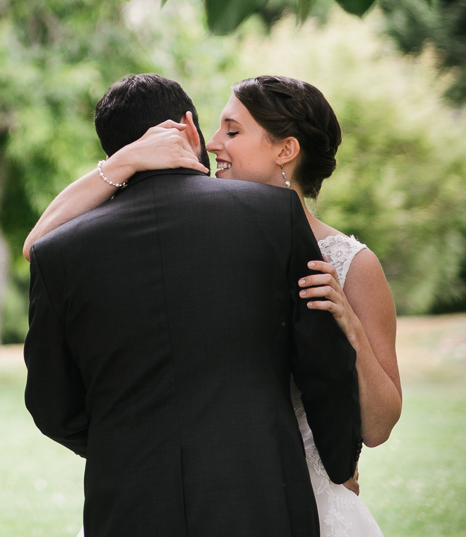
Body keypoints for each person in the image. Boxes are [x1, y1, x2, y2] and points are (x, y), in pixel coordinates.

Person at [25, 73, 401, 537]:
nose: (215, 142)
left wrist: (352, 334)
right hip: (263, 493)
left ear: (286, 150)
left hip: (280, 488)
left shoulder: (345, 261)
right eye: (215, 127)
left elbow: (369, 417)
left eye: (233, 130)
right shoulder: (259, 224)